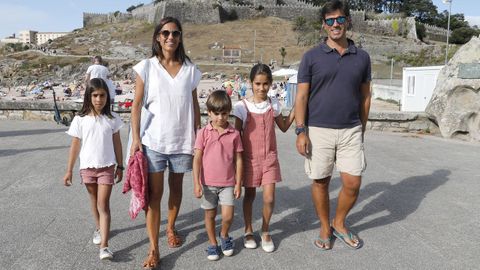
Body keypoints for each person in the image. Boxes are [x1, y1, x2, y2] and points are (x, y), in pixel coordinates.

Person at [294, 0, 372, 250]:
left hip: (350, 129)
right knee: (321, 181)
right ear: (323, 25)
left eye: (339, 19)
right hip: (318, 130)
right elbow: (302, 97)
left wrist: (362, 127)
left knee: (353, 182)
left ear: (348, 21)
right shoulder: (311, 57)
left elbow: (366, 96)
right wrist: (300, 130)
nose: (335, 24)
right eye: (330, 21)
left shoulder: (362, 57)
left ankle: (339, 223)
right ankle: (325, 226)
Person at [129, 17, 201, 268]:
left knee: (177, 189)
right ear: (158, 37)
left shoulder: (190, 69)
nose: (171, 37)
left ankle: (170, 228)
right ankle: (153, 248)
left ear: (180, 38)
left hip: (182, 141)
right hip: (154, 142)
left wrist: (199, 135)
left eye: (176, 33)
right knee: (154, 195)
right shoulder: (146, 67)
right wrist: (136, 139)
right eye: (166, 33)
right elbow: (136, 106)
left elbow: (194, 105)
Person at [233, 63, 295, 252]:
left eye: (266, 84)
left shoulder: (273, 104)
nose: (262, 88)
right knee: (250, 196)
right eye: (258, 84)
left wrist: (297, 107)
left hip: (269, 158)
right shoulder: (241, 107)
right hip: (249, 160)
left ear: (270, 84)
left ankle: (265, 230)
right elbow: (235, 138)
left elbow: (283, 126)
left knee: (269, 198)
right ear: (251, 83)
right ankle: (248, 230)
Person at [63, 78, 124, 260]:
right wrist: (69, 170)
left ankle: (105, 246)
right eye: (95, 95)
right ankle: (99, 228)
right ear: (89, 97)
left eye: (102, 95)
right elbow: (75, 146)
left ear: (107, 96)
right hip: (87, 168)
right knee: (94, 200)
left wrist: (120, 166)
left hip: (107, 167)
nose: (99, 99)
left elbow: (118, 144)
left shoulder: (112, 119)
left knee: (103, 204)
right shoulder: (79, 119)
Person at [193, 90, 243, 261]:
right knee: (210, 215)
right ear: (209, 112)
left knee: (228, 215)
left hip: (228, 182)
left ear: (229, 112)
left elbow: (238, 160)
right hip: (207, 184)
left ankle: (224, 235)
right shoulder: (203, 133)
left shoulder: (235, 134)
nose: (221, 117)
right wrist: (196, 183)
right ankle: (213, 243)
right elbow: (197, 159)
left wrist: (238, 183)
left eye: (224, 113)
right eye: (216, 113)